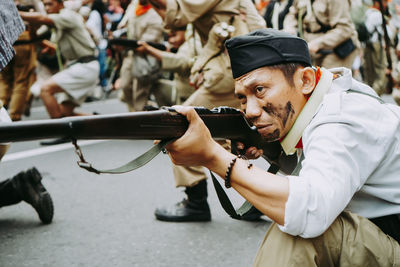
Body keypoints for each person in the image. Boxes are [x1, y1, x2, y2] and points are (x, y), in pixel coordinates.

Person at [163, 28, 400, 265]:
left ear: (306, 80)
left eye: (259, 90)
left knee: (299, 234)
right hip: (385, 229)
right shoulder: (330, 95)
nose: (251, 111)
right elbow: (325, 168)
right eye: (243, 99)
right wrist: (271, 151)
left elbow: (310, 210)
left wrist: (213, 156)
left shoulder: (339, 119)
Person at [148, 0, 266, 222]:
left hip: (227, 71)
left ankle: (196, 202)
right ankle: (259, 197)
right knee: (228, 142)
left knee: (177, 126)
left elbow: (175, 17)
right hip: (238, 67)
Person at [0, 0, 54, 224]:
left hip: (13, 41)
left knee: (7, 82)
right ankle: (14, 118)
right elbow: (42, 21)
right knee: (21, 81)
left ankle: (10, 117)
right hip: (17, 39)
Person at [19, 0, 100, 145]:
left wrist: (16, 14)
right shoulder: (56, 19)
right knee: (65, 113)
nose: (47, 8)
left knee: (45, 89)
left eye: (50, 4)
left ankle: (62, 132)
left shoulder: (68, 15)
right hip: (78, 67)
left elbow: (41, 18)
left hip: (85, 66)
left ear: (60, 4)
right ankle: (100, 121)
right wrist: (32, 24)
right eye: (45, 5)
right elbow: (36, 39)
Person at [114, 0, 163, 112]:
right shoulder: (134, 6)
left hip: (145, 58)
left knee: (140, 93)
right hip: (130, 54)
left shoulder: (155, 12)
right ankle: (133, 115)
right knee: (126, 86)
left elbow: (148, 42)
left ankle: (138, 118)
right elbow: (123, 25)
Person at [283, 0, 360, 69]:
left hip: (336, 50)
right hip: (312, 50)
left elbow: (345, 29)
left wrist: (318, 43)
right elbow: (292, 14)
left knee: (329, 82)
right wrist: (290, 28)